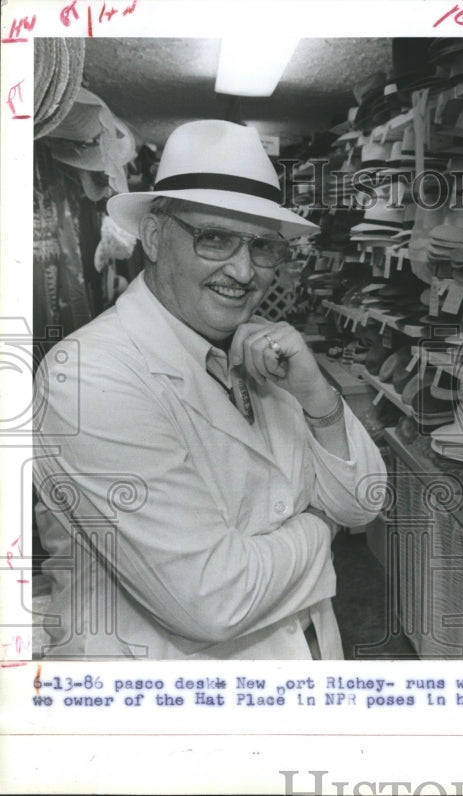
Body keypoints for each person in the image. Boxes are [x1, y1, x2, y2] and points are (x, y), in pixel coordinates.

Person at [33, 120, 387, 660]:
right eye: (214, 238)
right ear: (154, 237)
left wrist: (317, 396)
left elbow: (363, 503)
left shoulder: (261, 351)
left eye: (262, 247)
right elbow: (213, 600)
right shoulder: (87, 376)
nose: (243, 272)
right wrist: (321, 522)